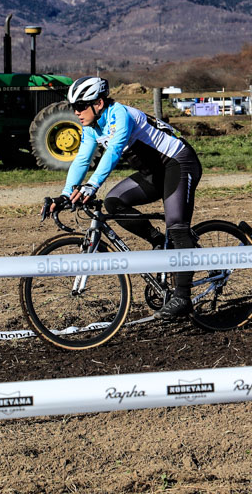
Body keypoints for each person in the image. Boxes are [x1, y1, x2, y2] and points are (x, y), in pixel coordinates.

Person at [50, 76, 203, 320]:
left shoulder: (120, 115)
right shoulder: (91, 127)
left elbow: (113, 152)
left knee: (177, 226)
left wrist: (91, 186)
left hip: (178, 163)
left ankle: (183, 297)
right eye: (73, 108)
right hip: (154, 173)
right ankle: (157, 241)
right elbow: (81, 159)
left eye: (80, 106)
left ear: (98, 103)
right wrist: (65, 194)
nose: (76, 112)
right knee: (114, 202)